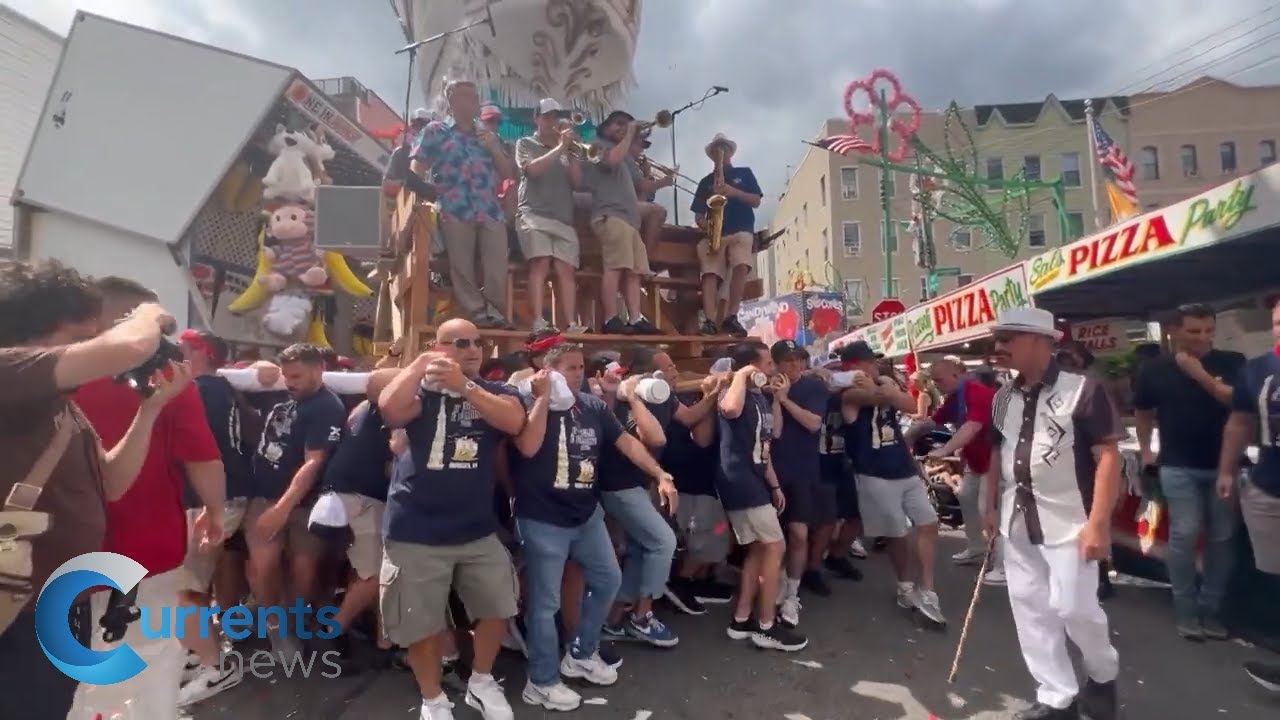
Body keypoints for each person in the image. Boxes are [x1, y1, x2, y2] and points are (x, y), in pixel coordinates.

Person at [0, 260, 185, 720]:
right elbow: (126, 346)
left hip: (55, 602)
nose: (89, 348)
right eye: (78, 337)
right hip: (14, 608)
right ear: (32, 332)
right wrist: (147, 312)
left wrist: (150, 410)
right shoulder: (9, 370)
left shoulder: (57, 404)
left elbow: (111, 483)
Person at [69, 277, 224, 720]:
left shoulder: (53, 371)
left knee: (69, 669)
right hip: (146, 549)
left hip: (61, 551)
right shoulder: (167, 378)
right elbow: (203, 458)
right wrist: (214, 512)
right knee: (153, 659)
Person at [377, 318, 527, 720]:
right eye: (461, 343)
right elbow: (390, 408)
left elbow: (513, 422)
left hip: (475, 530)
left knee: (499, 605)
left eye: (479, 343)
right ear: (439, 347)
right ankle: (433, 701)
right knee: (420, 626)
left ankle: (480, 682)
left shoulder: (495, 390)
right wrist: (421, 362)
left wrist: (465, 386)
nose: (474, 349)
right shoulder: (422, 393)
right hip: (416, 530)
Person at [987, 307, 1121, 720]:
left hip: (1070, 521)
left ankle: (1102, 674)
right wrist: (989, 505)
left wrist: (1098, 523)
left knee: (1075, 608)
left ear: (1040, 341)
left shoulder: (1084, 390)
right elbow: (998, 451)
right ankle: (1055, 696)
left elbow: (1109, 456)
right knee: (1031, 610)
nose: (999, 347)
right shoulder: (1003, 395)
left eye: (1008, 338)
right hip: (1017, 518)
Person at [1134, 303, 1245, 639]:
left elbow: (1239, 404)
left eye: (1209, 330)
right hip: (1177, 463)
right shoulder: (1154, 369)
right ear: (1174, 331)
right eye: (1194, 331)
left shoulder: (1232, 362)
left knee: (1222, 538)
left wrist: (1198, 373)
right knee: (1185, 531)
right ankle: (1185, 608)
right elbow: (1142, 410)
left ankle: (1209, 610)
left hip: (1224, 463)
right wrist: (1145, 449)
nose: (1203, 338)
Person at [245, 343, 346, 649]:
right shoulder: (283, 394)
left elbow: (314, 462)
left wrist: (282, 508)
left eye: (297, 375)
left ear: (319, 369)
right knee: (263, 566)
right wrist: (257, 367)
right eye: (286, 375)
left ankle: (292, 624)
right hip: (262, 496)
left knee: (303, 571)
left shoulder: (327, 406)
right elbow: (240, 372)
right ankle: (276, 628)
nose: (290, 382)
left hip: (302, 504)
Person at [837, 341, 946, 625]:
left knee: (928, 523)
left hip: (903, 467)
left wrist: (889, 388)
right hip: (875, 472)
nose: (876, 366)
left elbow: (909, 404)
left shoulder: (883, 383)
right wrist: (885, 388)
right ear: (856, 365)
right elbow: (874, 398)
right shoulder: (849, 393)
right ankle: (905, 586)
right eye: (870, 362)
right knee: (896, 534)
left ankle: (928, 588)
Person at [175, 329, 251, 707]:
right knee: (194, 587)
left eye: (182, 350)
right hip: (221, 498)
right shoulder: (221, 389)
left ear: (200, 354)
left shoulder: (202, 391)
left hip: (213, 500)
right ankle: (200, 651)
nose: (175, 355)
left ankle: (213, 666)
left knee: (188, 589)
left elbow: (191, 448)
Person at [717, 342, 807, 651]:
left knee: (757, 549)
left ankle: (741, 619)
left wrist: (775, 485)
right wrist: (741, 376)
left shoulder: (761, 398)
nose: (774, 369)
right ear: (752, 368)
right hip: (739, 481)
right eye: (767, 363)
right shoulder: (735, 393)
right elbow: (728, 410)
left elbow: (773, 437)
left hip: (757, 478)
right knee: (776, 545)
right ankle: (767, 624)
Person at [411, 80, 517, 329]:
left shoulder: (488, 136)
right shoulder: (436, 130)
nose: (469, 101)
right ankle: (476, 312)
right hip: (453, 205)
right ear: (450, 102)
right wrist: (419, 195)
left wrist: (492, 147)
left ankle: (496, 312)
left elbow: (508, 173)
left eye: (473, 97)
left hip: (488, 207)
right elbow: (417, 166)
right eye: (463, 96)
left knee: (497, 263)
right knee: (461, 264)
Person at [597, 347, 681, 647]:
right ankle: (642, 618)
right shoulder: (626, 399)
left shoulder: (654, 396)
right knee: (662, 541)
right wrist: (632, 397)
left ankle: (614, 619)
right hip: (619, 487)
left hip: (635, 484)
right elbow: (655, 438)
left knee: (640, 548)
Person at [1217, 297, 1280, 693]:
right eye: (1277, 321)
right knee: (1274, 580)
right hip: (1268, 489)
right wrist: (1226, 469)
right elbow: (1239, 421)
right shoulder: (1257, 370)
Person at [920, 356, 1004, 585]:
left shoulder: (975, 392)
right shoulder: (955, 397)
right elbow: (933, 420)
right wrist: (908, 437)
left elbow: (973, 426)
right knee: (966, 497)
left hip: (994, 461)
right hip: (976, 461)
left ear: (956, 375)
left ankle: (1003, 565)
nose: (936, 384)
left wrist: (946, 448)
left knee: (988, 508)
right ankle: (976, 547)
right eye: (933, 380)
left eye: (939, 379)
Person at [767, 340, 830, 623]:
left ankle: (793, 593)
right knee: (771, 539)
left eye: (799, 359)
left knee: (799, 534)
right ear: (777, 363)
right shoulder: (765, 386)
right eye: (788, 360)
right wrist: (775, 397)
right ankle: (773, 586)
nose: (795, 365)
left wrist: (784, 400)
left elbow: (813, 423)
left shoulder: (814, 387)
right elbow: (776, 432)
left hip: (803, 471)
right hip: (771, 473)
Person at [514, 98, 587, 334]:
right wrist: (559, 148)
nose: (551, 121)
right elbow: (532, 170)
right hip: (534, 213)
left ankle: (572, 324)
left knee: (567, 270)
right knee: (541, 264)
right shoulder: (525, 142)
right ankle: (538, 321)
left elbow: (577, 183)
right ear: (537, 119)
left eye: (555, 117)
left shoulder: (565, 150)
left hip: (563, 218)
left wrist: (573, 153)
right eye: (546, 117)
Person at [586, 110, 658, 335]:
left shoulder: (625, 155)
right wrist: (630, 134)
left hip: (628, 220)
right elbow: (612, 160)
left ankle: (636, 318)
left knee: (634, 272)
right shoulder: (598, 145)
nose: (622, 129)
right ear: (605, 126)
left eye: (625, 126)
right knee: (615, 268)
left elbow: (640, 185)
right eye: (618, 124)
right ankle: (610, 318)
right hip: (611, 215)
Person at [691, 133, 761, 337]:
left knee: (741, 264)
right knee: (709, 271)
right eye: (716, 148)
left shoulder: (744, 173)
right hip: (716, 234)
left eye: (723, 148)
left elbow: (756, 201)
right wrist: (705, 224)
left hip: (741, 228)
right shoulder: (705, 182)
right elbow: (697, 214)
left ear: (730, 152)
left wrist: (733, 192)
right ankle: (710, 319)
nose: (720, 151)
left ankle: (732, 315)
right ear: (711, 154)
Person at [628, 135, 672, 255]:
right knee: (658, 212)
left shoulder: (634, 167)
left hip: (629, 210)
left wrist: (646, 175)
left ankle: (644, 259)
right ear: (629, 144)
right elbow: (643, 187)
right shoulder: (626, 161)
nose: (642, 150)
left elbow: (642, 199)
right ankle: (647, 258)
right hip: (619, 207)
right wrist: (664, 182)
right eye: (639, 145)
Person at [383, 108, 439, 203]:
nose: (417, 131)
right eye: (416, 127)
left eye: (422, 127)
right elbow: (389, 188)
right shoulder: (401, 154)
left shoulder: (438, 156)